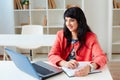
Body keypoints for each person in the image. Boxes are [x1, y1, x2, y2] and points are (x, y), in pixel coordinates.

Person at [48, 7, 107, 77]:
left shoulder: (91, 37)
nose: (68, 24)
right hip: (63, 72)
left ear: (79, 21)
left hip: (83, 74)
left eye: (72, 20)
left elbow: (101, 57)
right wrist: (64, 63)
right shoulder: (60, 34)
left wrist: (90, 67)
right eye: (66, 20)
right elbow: (52, 55)